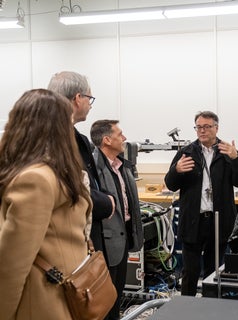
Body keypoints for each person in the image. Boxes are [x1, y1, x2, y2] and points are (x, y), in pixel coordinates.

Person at [0, 89, 92, 319]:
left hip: (37, 305)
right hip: (66, 298)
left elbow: (12, 265)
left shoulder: (34, 180)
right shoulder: (65, 174)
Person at [164, 111, 238, 296]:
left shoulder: (227, 152)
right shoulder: (186, 152)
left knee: (214, 271)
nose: (202, 131)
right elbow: (171, 185)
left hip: (218, 221)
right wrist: (176, 171)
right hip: (193, 221)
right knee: (190, 271)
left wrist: (236, 159)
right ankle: (187, 308)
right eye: (198, 127)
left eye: (207, 127)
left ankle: (211, 309)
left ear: (216, 128)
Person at [47, 71, 115, 257]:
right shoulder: (50, 139)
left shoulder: (79, 139)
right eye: (89, 98)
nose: (90, 105)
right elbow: (66, 187)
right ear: (78, 98)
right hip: (63, 242)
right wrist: (107, 202)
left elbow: (90, 183)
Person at [90, 120, 144, 320]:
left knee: (117, 296)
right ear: (106, 140)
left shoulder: (122, 165)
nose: (125, 138)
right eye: (120, 134)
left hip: (122, 242)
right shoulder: (94, 168)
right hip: (104, 245)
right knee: (105, 300)